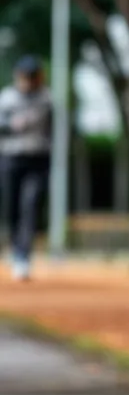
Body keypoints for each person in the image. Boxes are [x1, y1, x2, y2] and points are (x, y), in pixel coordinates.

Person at [0, 54, 52, 281]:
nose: (30, 80)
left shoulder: (47, 99)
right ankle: (14, 248)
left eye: (34, 76)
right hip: (11, 158)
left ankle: (23, 255)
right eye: (26, 76)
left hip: (38, 159)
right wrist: (12, 126)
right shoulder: (7, 98)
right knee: (12, 208)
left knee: (30, 206)